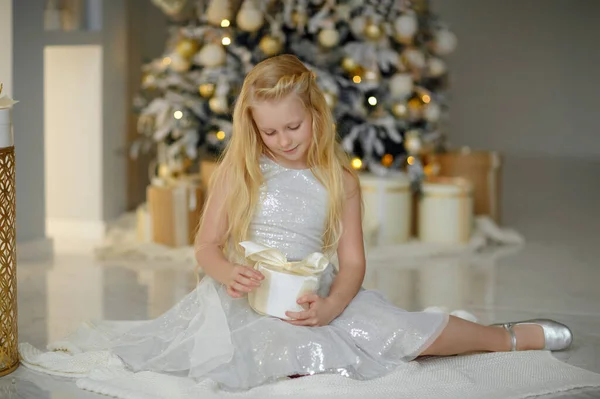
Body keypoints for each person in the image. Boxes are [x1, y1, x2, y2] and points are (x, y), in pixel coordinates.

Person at [19, 54, 573, 394]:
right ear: (254, 130)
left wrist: (332, 306)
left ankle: (503, 337)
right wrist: (226, 272)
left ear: (315, 116)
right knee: (258, 362)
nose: (283, 141)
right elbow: (206, 244)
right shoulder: (240, 174)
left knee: (399, 331)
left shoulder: (340, 181)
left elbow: (353, 262)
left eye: (293, 126)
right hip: (246, 297)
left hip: (316, 293)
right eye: (270, 132)